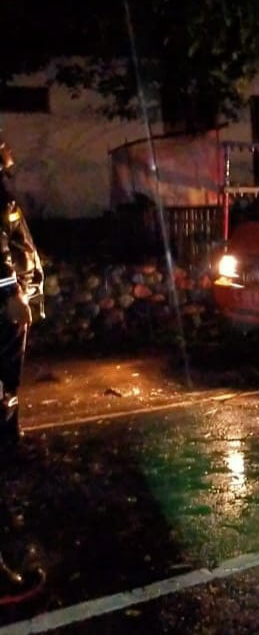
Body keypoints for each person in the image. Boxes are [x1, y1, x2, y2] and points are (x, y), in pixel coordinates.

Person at [0, 130, 45, 604]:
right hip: (1, 310)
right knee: (4, 379)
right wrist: (10, 292)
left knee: (8, 381)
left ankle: (8, 431)